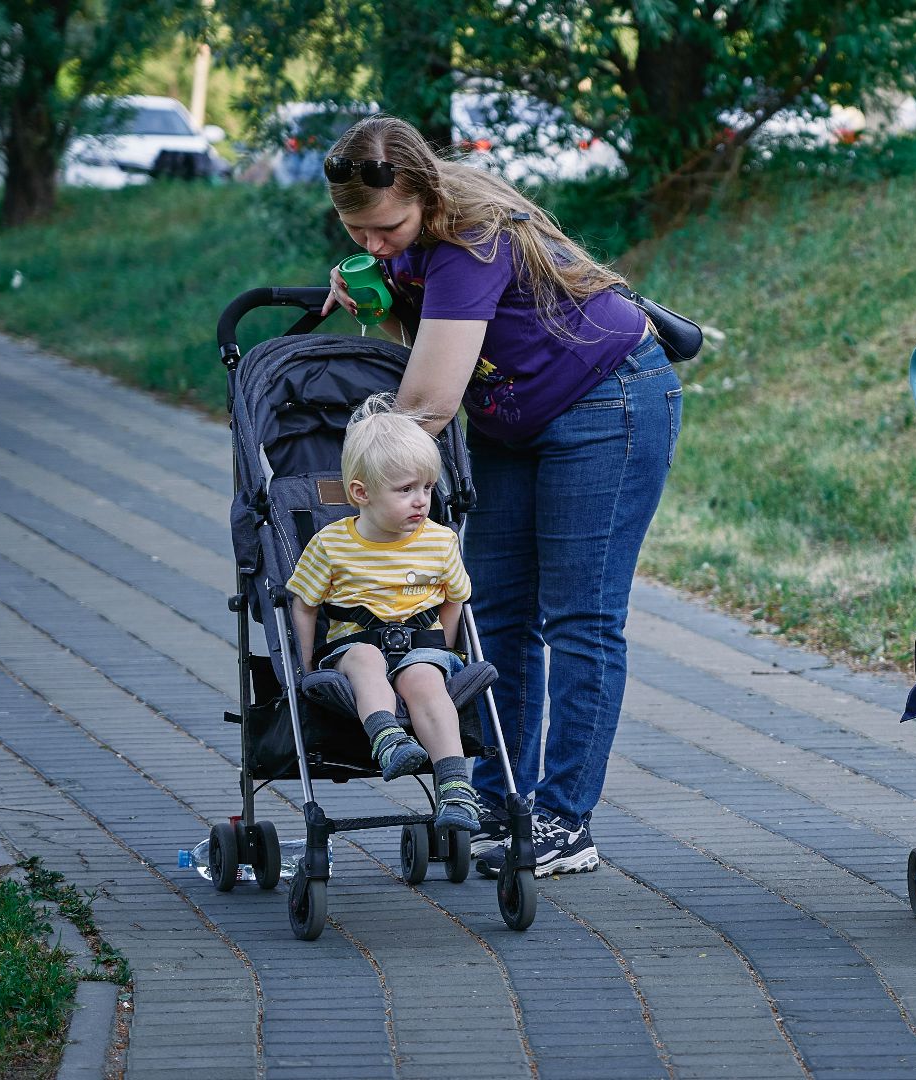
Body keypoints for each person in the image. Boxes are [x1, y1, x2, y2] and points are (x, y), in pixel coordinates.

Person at [320, 115, 681, 878]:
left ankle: (564, 818)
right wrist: (377, 295)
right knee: (499, 610)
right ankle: (500, 794)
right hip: (515, 421)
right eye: (356, 233)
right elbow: (416, 344)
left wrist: (363, 493)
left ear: (422, 194)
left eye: (386, 228)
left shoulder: (470, 239)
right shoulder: (411, 244)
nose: (373, 244)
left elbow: (426, 403)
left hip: (607, 402)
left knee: (580, 615)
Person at [286, 395, 485, 833]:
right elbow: (304, 603)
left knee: (426, 680)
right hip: (355, 646)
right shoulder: (330, 545)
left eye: (428, 488)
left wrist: (443, 649)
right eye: (406, 490)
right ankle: (388, 739)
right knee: (364, 659)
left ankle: (455, 789)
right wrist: (300, 666)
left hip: (421, 645)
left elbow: (455, 597)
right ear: (361, 493)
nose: (421, 502)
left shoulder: (439, 541)